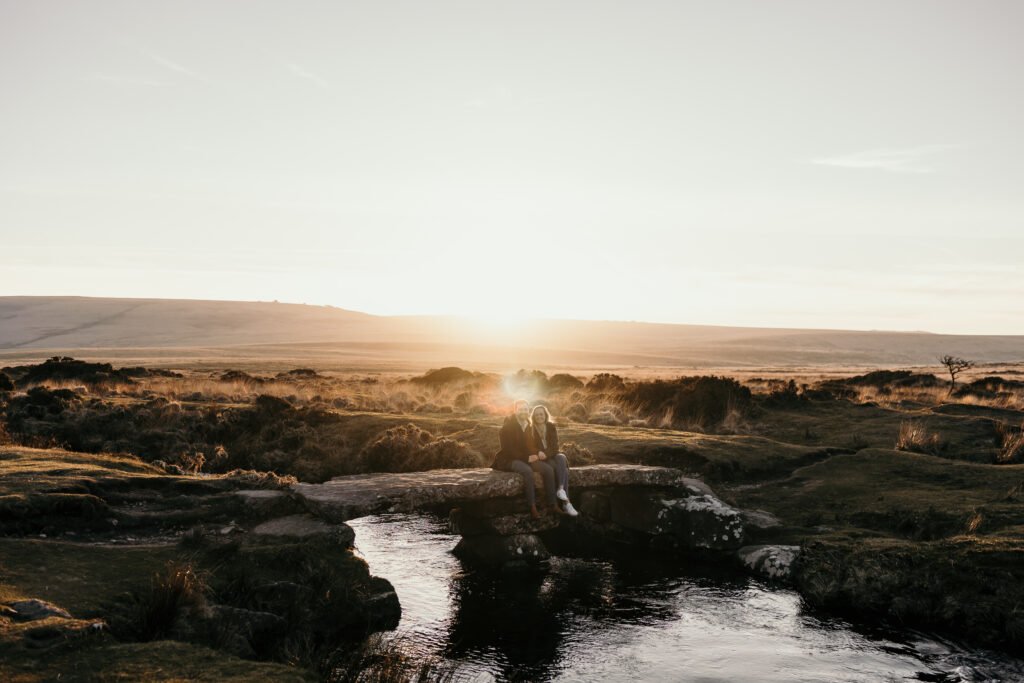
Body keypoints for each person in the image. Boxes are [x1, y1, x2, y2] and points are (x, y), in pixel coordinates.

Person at [491, 399, 557, 518]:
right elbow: (508, 449)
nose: (523, 411)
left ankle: (552, 504)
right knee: (527, 471)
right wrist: (527, 458)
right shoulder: (507, 427)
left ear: (528, 411)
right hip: (509, 459)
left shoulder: (529, 425)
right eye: (520, 409)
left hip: (526, 458)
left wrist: (537, 453)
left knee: (548, 469)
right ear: (515, 410)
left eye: (525, 409)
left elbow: (531, 445)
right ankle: (532, 507)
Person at [526, 405, 578, 517]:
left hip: (551, 455)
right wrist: (539, 452)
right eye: (536, 415)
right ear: (533, 417)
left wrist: (546, 453)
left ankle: (560, 489)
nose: (539, 416)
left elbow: (555, 446)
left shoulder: (551, 426)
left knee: (562, 457)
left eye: (541, 414)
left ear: (545, 415)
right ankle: (566, 503)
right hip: (541, 458)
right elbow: (530, 446)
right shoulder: (531, 429)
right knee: (560, 468)